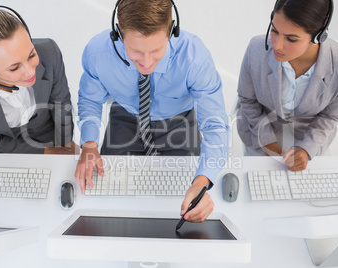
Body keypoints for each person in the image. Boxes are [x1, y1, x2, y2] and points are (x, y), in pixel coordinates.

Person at [75, 0, 229, 223]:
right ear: (118, 32)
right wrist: (89, 143)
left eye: (157, 50)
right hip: (125, 117)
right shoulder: (97, 52)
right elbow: (90, 99)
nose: (146, 63)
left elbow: (215, 124)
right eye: (135, 51)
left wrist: (203, 181)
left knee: (179, 198)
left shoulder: (195, 58)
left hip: (179, 121)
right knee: (107, 197)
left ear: (171, 31)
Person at [237, 0, 338, 171]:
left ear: (318, 37)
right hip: (260, 127)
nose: (277, 45)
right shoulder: (256, 48)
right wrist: (267, 141)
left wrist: (306, 149)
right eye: (274, 30)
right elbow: (247, 100)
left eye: (291, 39)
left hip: (307, 132)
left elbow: (330, 117)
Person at [0, 6, 78, 154]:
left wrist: (65, 145)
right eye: (14, 68)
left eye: (31, 55)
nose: (30, 72)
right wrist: (46, 152)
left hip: (45, 134)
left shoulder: (50, 53)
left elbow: (61, 104)